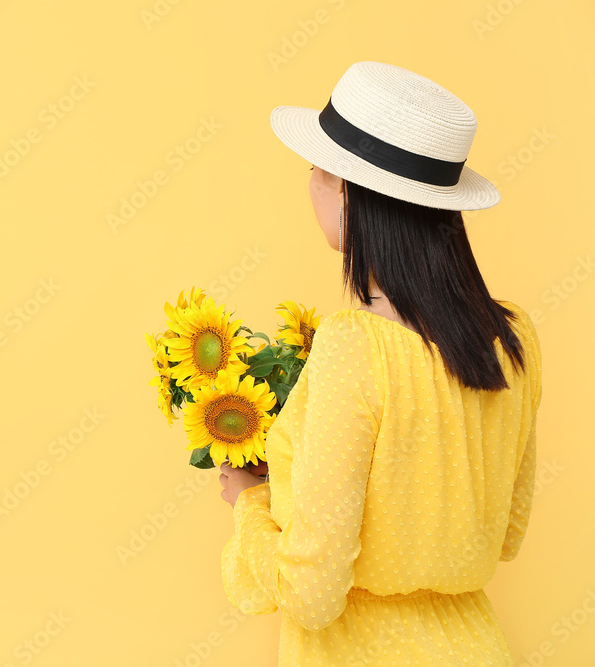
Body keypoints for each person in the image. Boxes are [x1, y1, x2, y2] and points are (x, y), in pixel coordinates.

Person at [216, 61, 542, 666]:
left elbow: (312, 597)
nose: (309, 182)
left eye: (315, 169)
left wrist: (251, 503)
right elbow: (507, 535)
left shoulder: (355, 347)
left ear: (346, 192)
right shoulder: (514, 339)